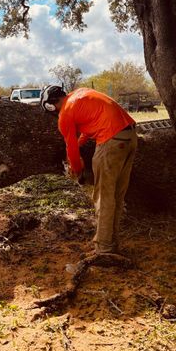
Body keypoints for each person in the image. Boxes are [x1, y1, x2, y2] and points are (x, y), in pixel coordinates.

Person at [40, 85, 137, 255]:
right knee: (116, 195)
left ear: (50, 105)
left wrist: (76, 170)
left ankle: (104, 249)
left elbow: (70, 148)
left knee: (103, 197)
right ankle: (112, 242)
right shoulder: (80, 94)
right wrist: (79, 146)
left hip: (111, 142)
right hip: (130, 137)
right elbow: (88, 126)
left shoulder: (64, 114)